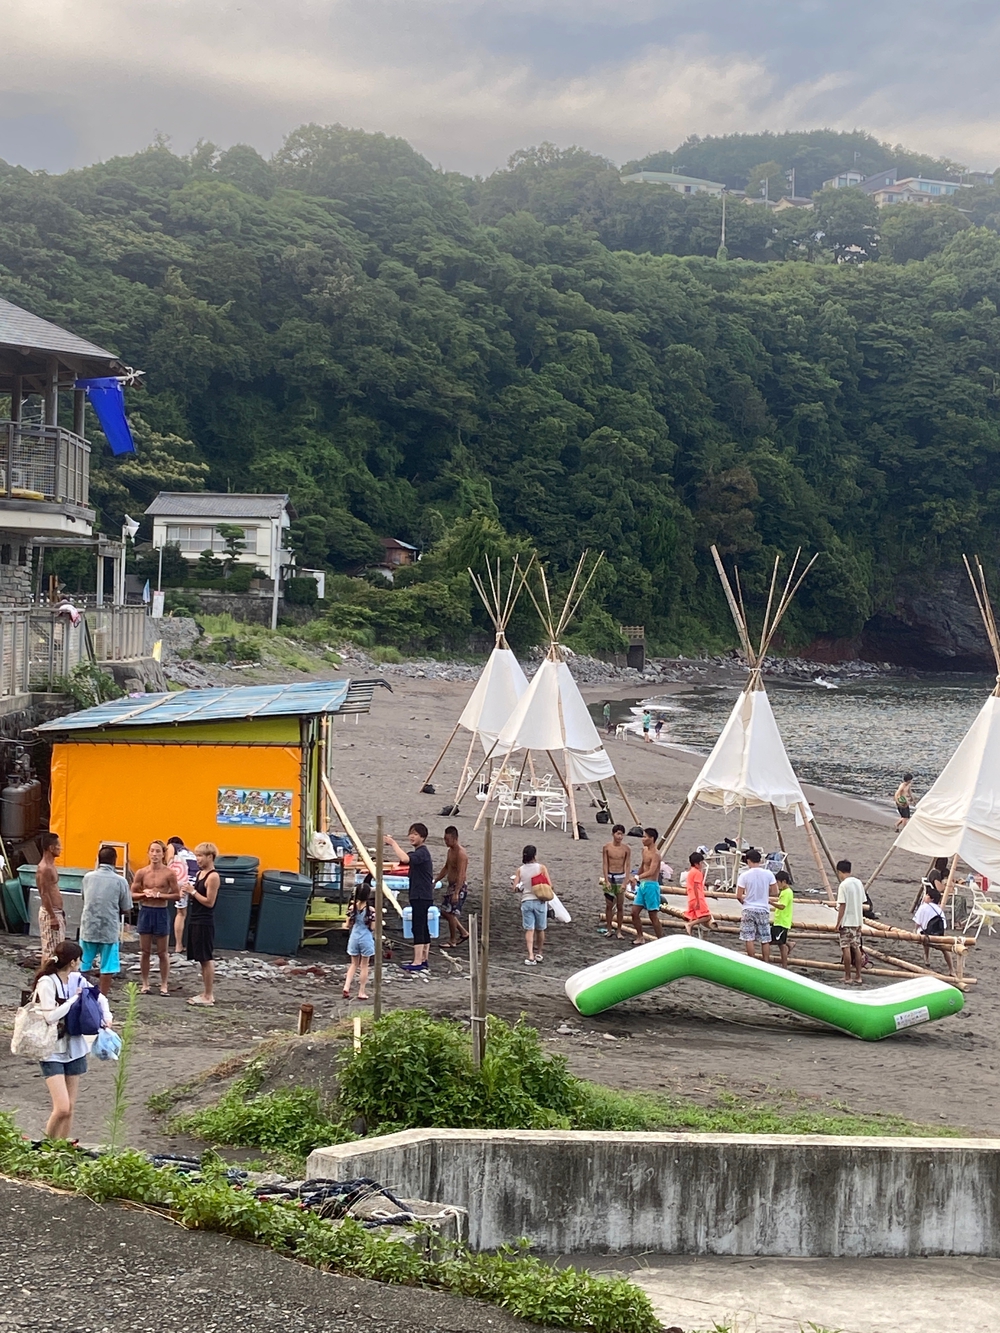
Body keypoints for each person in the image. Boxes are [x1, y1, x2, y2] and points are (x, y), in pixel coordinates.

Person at [33, 940, 110, 1140]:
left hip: (74, 1046)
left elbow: (98, 996)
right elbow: (50, 1017)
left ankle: (64, 1147)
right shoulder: (47, 982)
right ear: (74, 961)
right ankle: (47, 1144)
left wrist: (106, 1016)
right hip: (52, 1049)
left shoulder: (77, 979)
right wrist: (73, 1000)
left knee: (71, 1107)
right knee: (62, 1108)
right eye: (79, 960)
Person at [79, 845, 132, 996]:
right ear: (115, 861)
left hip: (88, 926)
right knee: (108, 966)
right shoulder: (120, 881)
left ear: (98, 859)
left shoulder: (88, 878)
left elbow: (85, 898)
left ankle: (81, 993)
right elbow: (126, 907)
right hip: (109, 928)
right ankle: (102, 997)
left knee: (83, 963)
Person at [131, 840, 180, 996]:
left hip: (161, 912)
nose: (154, 854)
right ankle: (145, 983)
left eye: (158, 851)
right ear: (148, 853)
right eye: (152, 851)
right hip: (146, 911)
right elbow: (132, 894)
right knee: (145, 951)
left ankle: (164, 984)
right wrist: (144, 894)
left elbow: (177, 895)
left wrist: (160, 895)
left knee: (162, 952)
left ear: (163, 854)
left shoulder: (169, 873)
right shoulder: (141, 872)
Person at [386, 823, 434, 972]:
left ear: (423, 837)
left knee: (418, 927)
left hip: (421, 895)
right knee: (423, 926)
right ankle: (424, 959)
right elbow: (404, 859)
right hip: (422, 894)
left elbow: (405, 859)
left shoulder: (422, 853)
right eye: (411, 833)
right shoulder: (419, 853)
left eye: (416, 834)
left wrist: (393, 843)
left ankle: (417, 961)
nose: (412, 837)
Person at [186, 842, 220, 1006]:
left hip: (205, 921)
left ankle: (208, 995)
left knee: (206, 958)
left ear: (210, 857)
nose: (197, 859)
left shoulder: (213, 876)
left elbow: (209, 902)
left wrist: (192, 892)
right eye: (196, 855)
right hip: (195, 918)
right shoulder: (200, 873)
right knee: (200, 958)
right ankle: (205, 992)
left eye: (200, 856)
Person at [736, 848, 777, 962]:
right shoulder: (768, 874)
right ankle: (766, 962)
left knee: (748, 937)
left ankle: (752, 961)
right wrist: (764, 892)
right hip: (763, 908)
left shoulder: (744, 875)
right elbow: (775, 891)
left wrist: (744, 902)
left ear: (749, 861)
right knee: (765, 938)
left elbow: (739, 895)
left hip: (749, 908)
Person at [512, 844, 550, 965]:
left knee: (529, 929)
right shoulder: (541, 868)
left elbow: (515, 888)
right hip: (539, 900)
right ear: (534, 855)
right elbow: (549, 884)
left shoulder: (520, 870)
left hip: (526, 900)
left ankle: (530, 955)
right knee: (540, 929)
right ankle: (539, 952)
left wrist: (520, 887)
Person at [436, 826, 470, 948]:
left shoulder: (461, 854)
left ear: (455, 839)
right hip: (451, 885)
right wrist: (436, 880)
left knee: (450, 914)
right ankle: (463, 932)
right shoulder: (450, 851)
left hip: (459, 886)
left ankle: (452, 940)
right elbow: (446, 867)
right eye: (444, 839)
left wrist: (456, 892)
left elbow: (461, 874)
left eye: (448, 839)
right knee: (445, 912)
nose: (446, 842)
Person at [835, 859, 866, 985]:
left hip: (847, 921)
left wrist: (838, 923)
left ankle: (847, 976)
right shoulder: (858, 883)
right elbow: (862, 901)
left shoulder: (843, 885)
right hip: (857, 920)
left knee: (846, 948)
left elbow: (842, 905)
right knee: (856, 947)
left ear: (839, 872)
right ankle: (858, 976)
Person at [344, 879, 375, 999]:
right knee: (364, 966)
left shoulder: (352, 908)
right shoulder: (371, 910)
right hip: (366, 938)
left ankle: (346, 986)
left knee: (353, 964)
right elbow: (372, 927)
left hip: (354, 937)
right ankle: (361, 991)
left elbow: (348, 925)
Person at [36, 832, 65, 962]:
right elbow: (44, 893)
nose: (61, 848)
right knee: (50, 952)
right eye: (58, 845)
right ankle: (44, 979)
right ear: (51, 848)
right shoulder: (44, 868)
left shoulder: (51, 866)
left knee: (58, 949)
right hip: (50, 913)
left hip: (56, 911)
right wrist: (52, 917)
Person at [631, 829, 663, 944]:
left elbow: (652, 871)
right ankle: (640, 937)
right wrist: (636, 876)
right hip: (643, 885)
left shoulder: (656, 854)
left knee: (653, 915)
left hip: (651, 885)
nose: (642, 839)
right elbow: (643, 866)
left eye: (645, 837)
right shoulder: (644, 851)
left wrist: (637, 878)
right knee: (634, 912)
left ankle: (661, 941)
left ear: (652, 838)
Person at [167, 835, 198, 958]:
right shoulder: (190, 852)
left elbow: (170, 863)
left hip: (182, 878)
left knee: (181, 913)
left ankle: (178, 945)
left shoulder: (171, 846)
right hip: (194, 879)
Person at [913, 884, 954, 974]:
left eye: (927, 895)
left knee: (922, 931)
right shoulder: (939, 910)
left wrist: (914, 932)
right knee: (945, 950)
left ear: (931, 899)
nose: (925, 896)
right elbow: (944, 926)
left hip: (926, 935)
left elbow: (917, 923)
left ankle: (927, 957)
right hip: (938, 935)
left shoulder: (923, 906)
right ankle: (952, 970)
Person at [601, 824, 631, 939]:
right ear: (613, 834)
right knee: (609, 905)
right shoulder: (607, 847)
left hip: (620, 877)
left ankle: (619, 930)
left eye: (621, 834)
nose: (620, 836)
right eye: (618, 834)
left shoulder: (626, 849)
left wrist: (625, 881)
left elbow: (627, 865)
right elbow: (605, 864)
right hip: (610, 876)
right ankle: (609, 929)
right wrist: (606, 880)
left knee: (620, 905)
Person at [683, 849, 714, 935]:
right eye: (701, 863)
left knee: (693, 916)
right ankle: (690, 925)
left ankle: (689, 931)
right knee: (707, 916)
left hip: (691, 897)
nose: (702, 865)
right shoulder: (697, 873)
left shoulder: (691, 872)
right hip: (697, 897)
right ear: (697, 864)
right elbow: (696, 887)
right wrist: (697, 901)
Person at [771, 870, 794, 967]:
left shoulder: (786, 893)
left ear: (783, 881)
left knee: (780, 944)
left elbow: (782, 906)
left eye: (778, 882)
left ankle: (784, 965)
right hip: (780, 920)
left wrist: (770, 902)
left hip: (782, 921)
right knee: (780, 942)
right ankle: (789, 944)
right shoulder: (785, 892)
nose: (777, 885)